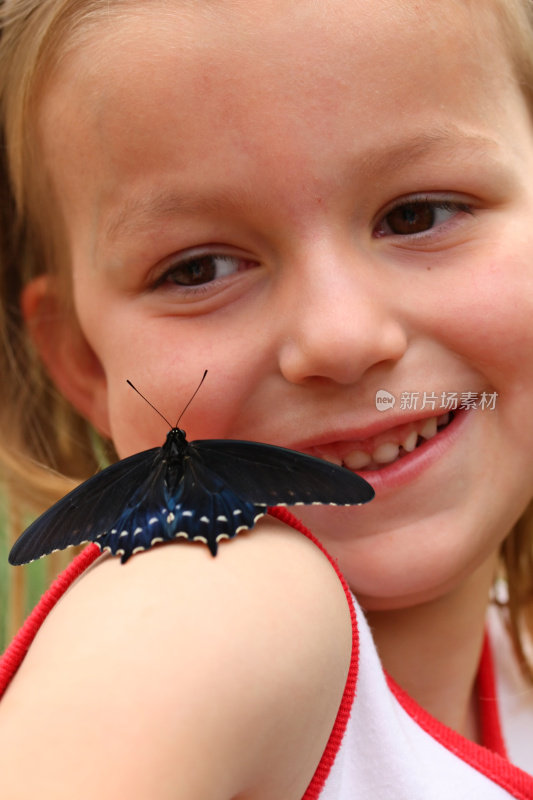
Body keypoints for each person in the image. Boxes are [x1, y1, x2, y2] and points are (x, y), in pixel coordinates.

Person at [1, 0, 533, 796]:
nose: (339, 338)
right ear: (83, 363)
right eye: (198, 270)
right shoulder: (221, 595)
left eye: (417, 214)